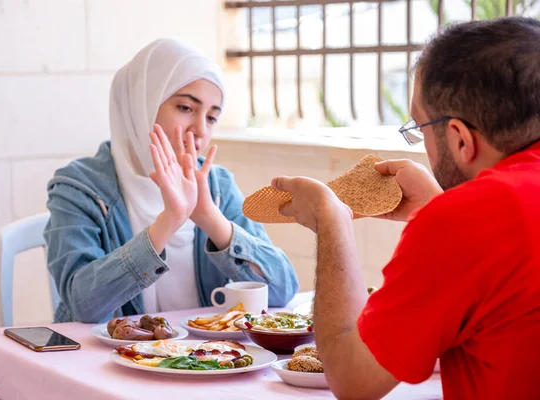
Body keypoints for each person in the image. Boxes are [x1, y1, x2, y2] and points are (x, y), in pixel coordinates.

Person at [271, 17, 540, 399]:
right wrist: (441, 206)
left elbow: (353, 380)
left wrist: (333, 220)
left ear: (461, 139)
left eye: (420, 126)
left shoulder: (464, 220)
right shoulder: (477, 219)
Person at [44, 39, 299, 324]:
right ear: (142, 105)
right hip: (104, 362)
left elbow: (283, 289)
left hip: (203, 359)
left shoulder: (215, 185)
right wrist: (170, 220)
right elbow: (83, 306)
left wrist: (210, 218)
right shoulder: (79, 187)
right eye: (186, 108)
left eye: (212, 117)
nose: (200, 131)